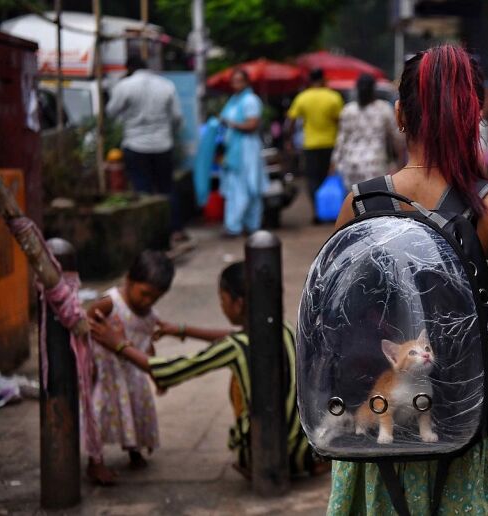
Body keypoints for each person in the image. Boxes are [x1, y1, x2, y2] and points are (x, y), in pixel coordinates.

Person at [332, 45, 488, 514]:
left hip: (382, 431)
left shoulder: (360, 205)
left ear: (400, 115)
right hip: (462, 424)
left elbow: (337, 322)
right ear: (475, 115)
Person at [89, 261, 329, 478]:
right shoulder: (283, 327)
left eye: (222, 299)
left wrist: (118, 344)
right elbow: (236, 337)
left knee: (238, 376)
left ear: (238, 303)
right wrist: (183, 330)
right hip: (308, 449)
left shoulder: (236, 347)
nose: (221, 305)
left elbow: (169, 370)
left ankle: (256, 462)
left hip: (271, 455)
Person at [86, 250, 175, 485]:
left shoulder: (150, 316)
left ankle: (134, 452)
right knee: (98, 416)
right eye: (144, 294)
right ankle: (95, 463)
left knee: (135, 413)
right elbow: (83, 325)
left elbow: (147, 348)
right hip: (106, 374)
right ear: (129, 281)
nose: (148, 301)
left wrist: (156, 378)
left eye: (155, 298)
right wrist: (87, 362)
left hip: (133, 376)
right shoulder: (110, 303)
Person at [106, 56, 185, 243]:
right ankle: (175, 230)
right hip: (163, 144)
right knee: (166, 189)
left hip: (135, 145)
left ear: (129, 68)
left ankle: (149, 235)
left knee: (142, 190)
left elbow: (111, 112)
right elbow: (177, 117)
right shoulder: (166, 85)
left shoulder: (124, 86)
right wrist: (168, 133)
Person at [286, 68, 344, 219]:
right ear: (323, 79)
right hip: (331, 143)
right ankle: (330, 210)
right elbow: (340, 122)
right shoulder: (333, 97)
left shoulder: (302, 97)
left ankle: (316, 212)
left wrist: (288, 140)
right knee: (329, 177)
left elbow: (291, 121)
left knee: (312, 179)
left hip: (310, 145)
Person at [330, 73, 403, 189]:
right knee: (374, 203)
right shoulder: (383, 108)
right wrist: (400, 160)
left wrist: (333, 163)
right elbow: (396, 137)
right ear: (373, 89)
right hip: (375, 166)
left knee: (354, 202)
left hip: (350, 167)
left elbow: (341, 140)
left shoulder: (348, 110)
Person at [218, 70, 268, 237]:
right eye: (234, 81)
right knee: (235, 188)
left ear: (246, 82)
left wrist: (231, 124)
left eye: (239, 80)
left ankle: (249, 224)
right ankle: (235, 225)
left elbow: (252, 124)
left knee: (250, 187)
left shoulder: (250, 100)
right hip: (234, 149)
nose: (236, 84)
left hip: (247, 149)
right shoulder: (234, 101)